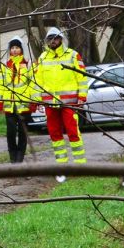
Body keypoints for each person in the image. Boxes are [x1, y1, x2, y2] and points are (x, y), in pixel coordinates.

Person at [32, 26, 88, 163]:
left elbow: (82, 77)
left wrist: (82, 96)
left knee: (73, 131)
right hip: (49, 102)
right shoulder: (42, 58)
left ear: (60, 39)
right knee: (54, 133)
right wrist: (36, 99)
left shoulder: (73, 55)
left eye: (55, 38)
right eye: (50, 39)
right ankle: (61, 164)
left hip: (69, 102)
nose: (53, 41)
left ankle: (80, 164)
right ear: (46, 41)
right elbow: (37, 80)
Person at [0, 37, 34, 163]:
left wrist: (33, 101)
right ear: (9, 50)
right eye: (12, 48)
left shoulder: (28, 64)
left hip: (24, 105)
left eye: (17, 47)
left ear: (21, 49)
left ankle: (19, 159)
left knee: (23, 134)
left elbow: (32, 84)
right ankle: (13, 158)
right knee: (10, 133)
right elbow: (0, 84)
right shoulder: (5, 66)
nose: (15, 50)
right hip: (9, 105)